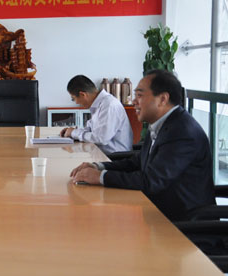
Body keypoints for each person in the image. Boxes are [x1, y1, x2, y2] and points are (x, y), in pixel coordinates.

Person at [70, 70, 215, 221]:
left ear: (163, 99)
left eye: (140, 95)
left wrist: (100, 177)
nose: (134, 101)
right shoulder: (163, 124)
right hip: (158, 211)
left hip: (182, 222)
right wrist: (98, 167)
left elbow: (151, 182)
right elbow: (138, 162)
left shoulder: (181, 132)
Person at [60, 75, 133, 154]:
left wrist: (73, 133)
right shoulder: (99, 104)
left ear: (83, 95)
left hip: (115, 158)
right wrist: (72, 131)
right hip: (102, 154)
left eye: (73, 98)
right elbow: (91, 130)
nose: (76, 102)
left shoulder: (109, 105)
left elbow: (101, 138)